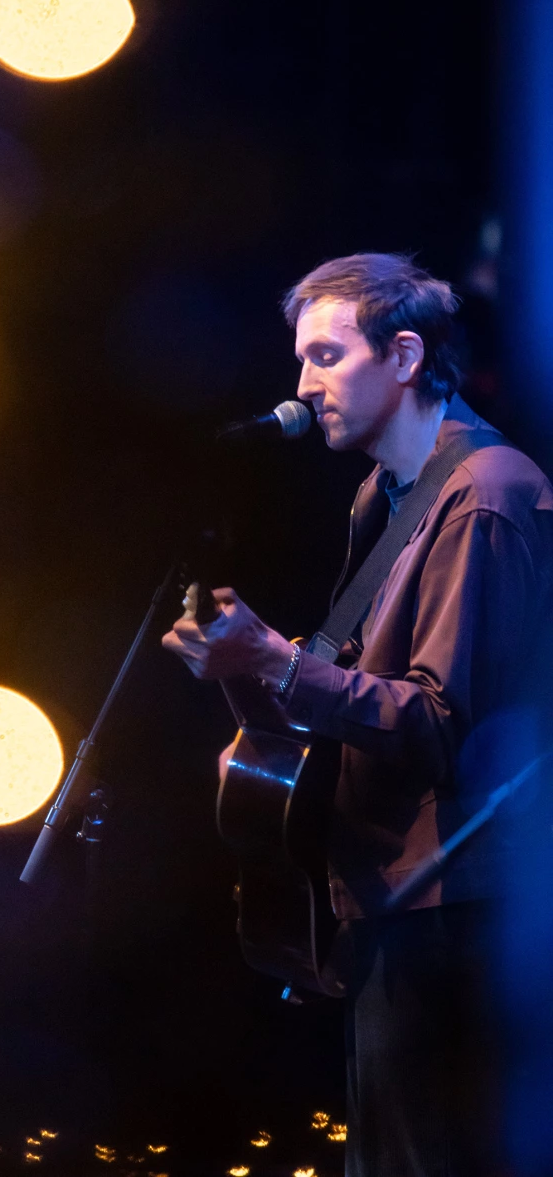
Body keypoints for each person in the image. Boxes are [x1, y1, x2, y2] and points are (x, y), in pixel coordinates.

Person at [162, 252, 553, 1177]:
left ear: (407, 354)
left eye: (328, 357)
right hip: (387, 899)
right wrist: (243, 669)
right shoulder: (384, 497)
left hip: (453, 904)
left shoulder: (485, 495)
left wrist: (280, 662)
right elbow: (340, 702)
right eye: (302, 360)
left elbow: (445, 725)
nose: (304, 386)